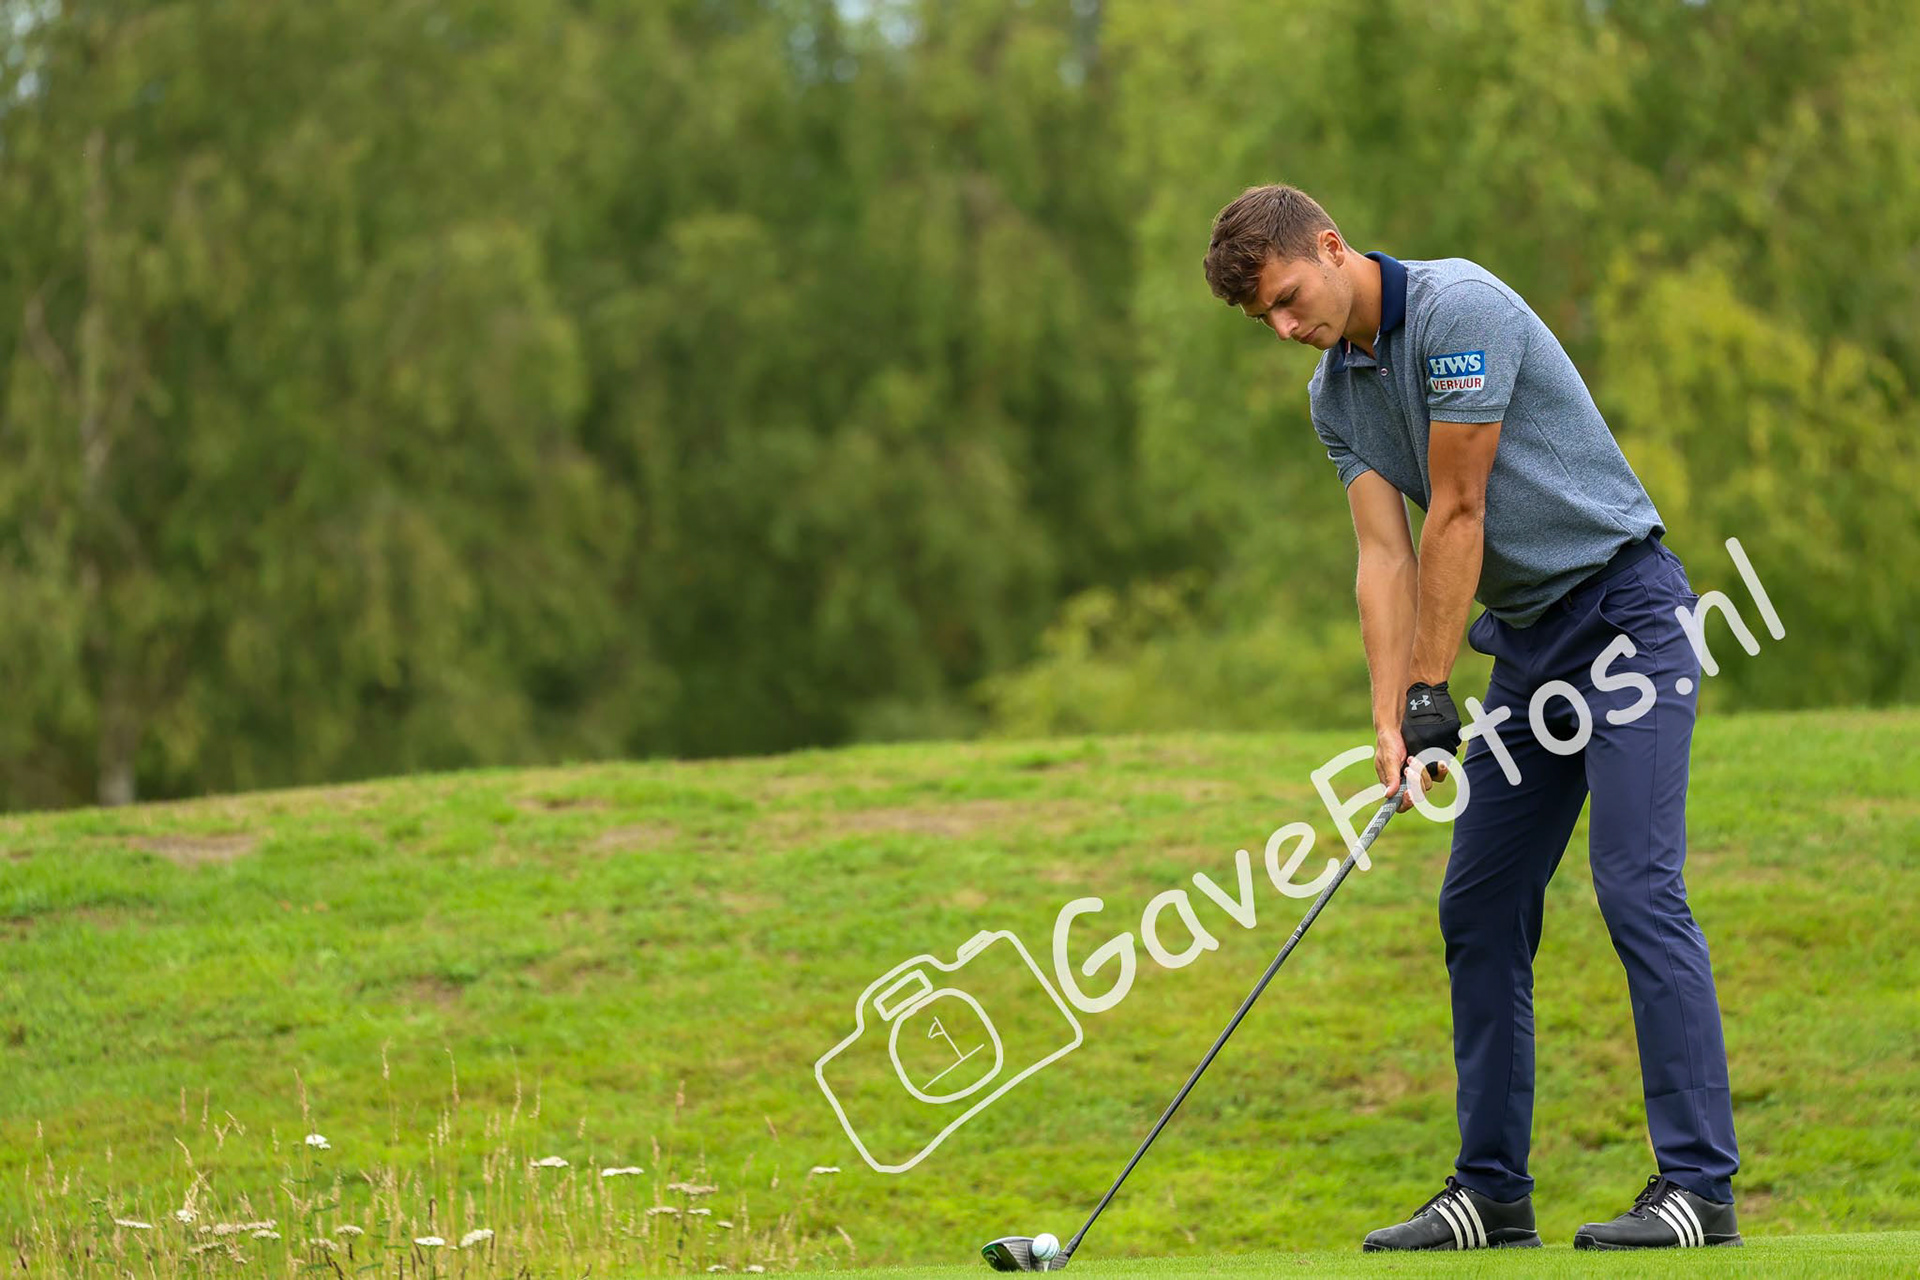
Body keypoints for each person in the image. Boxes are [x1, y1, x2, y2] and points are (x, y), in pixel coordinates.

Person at [1201, 184, 1741, 1251]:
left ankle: (1699, 1189)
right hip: (1533, 648)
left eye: (1289, 297)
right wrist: (1392, 718)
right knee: (1479, 907)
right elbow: (1382, 555)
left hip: (1629, 614)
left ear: (1331, 244)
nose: (1285, 325)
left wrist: (1434, 684)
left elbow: (1458, 509)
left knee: (1637, 886)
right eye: (1264, 317)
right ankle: (1491, 1191)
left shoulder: (1460, 311)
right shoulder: (1334, 397)